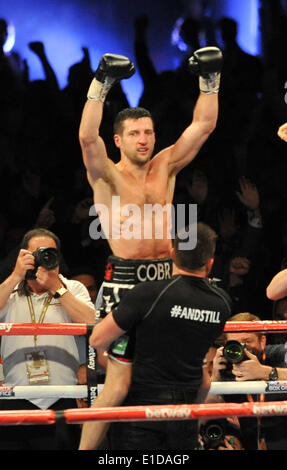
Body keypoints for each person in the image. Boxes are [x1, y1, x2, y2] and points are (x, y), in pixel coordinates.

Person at [78, 46, 223, 450]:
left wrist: (210, 79)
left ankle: (187, 444)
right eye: (135, 134)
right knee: (118, 384)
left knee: (195, 376)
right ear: (119, 139)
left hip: (167, 283)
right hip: (126, 285)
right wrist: (101, 83)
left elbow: (203, 125)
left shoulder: (166, 166)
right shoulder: (106, 175)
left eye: (149, 132)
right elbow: (87, 136)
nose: (144, 139)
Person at [88, 222, 232, 450]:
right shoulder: (222, 303)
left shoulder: (150, 293)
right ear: (210, 263)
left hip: (142, 408)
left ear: (173, 254)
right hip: (186, 409)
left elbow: (97, 340)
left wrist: (119, 359)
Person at [0, 228, 95, 450]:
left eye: (48, 253)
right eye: (36, 254)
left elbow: (92, 323)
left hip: (62, 395)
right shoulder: (9, 290)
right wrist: (15, 275)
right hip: (15, 394)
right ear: (23, 256)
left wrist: (57, 288)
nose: (42, 259)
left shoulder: (73, 288)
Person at [210, 312, 287, 450]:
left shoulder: (278, 354)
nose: (241, 349)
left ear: (262, 341)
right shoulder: (225, 365)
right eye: (234, 344)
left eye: (246, 342)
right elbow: (207, 411)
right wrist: (215, 376)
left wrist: (264, 371)